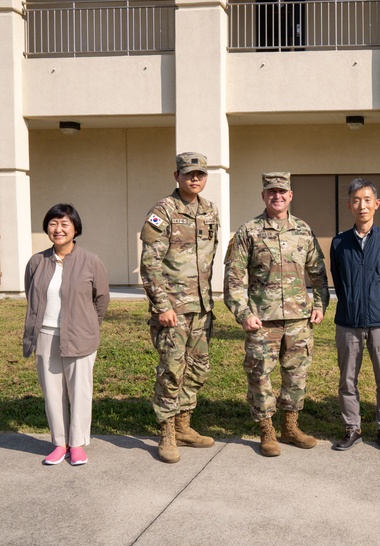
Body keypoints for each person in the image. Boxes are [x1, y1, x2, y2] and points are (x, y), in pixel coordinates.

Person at [224, 172, 330, 457]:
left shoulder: (303, 230)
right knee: (260, 375)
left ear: (291, 195)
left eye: (282, 191)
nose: (277, 196)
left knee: (296, 376)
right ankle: (267, 431)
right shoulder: (249, 231)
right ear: (263, 196)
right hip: (262, 320)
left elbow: (318, 274)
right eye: (271, 192)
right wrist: (243, 313)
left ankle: (290, 427)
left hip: (298, 319)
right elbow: (233, 280)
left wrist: (320, 305)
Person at [141, 152, 220, 464]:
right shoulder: (163, 211)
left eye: (200, 174)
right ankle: (167, 432)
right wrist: (161, 305)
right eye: (189, 174)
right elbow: (150, 262)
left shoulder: (210, 210)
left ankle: (185, 426)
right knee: (172, 370)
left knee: (198, 368)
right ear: (177, 176)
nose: (195, 179)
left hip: (201, 306)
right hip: (172, 308)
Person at [23, 204, 109, 466]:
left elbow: (102, 299)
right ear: (47, 228)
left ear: (75, 229)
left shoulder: (91, 261)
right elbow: (32, 296)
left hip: (80, 337)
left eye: (64, 224)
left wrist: (90, 326)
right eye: (53, 224)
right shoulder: (37, 261)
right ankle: (60, 444)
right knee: (52, 392)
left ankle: (78, 443)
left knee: (80, 391)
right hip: (46, 336)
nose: (58, 229)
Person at [329, 179, 380, 452]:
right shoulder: (339, 243)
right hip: (348, 321)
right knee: (347, 379)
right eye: (356, 200)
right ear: (349, 205)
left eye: (367, 199)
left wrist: (378, 301)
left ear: (377, 204)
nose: (362, 205)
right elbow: (339, 280)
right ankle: (352, 428)